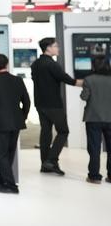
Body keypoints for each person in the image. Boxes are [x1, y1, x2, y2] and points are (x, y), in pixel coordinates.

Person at [30, 37, 84, 175]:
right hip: (53, 104)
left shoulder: (35, 64)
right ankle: (51, 160)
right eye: (55, 46)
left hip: (40, 103)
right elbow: (69, 80)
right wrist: (90, 82)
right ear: (48, 48)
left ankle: (45, 165)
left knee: (45, 132)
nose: (58, 48)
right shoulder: (52, 64)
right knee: (63, 131)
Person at [0, 53, 31, 193]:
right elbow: (26, 101)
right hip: (16, 122)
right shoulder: (17, 80)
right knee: (10, 152)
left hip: (0, 123)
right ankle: (2, 177)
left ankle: (11, 184)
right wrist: (23, 116)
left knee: (1, 153)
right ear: (7, 64)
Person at [80, 56, 111, 184]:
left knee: (94, 148)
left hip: (93, 118)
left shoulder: (88, 79)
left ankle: (94, 176)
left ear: (93, 66)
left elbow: (84, 97)